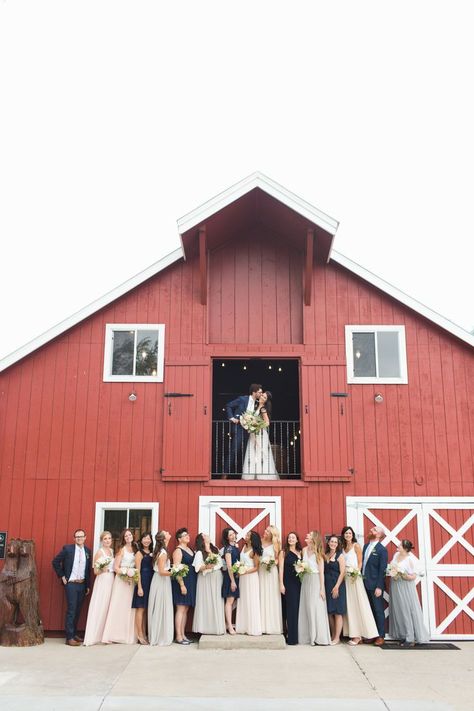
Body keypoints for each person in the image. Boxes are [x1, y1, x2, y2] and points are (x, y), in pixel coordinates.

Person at [52, 528, 91, 646]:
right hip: (71, 584)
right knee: (72, 610)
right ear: (74, 539)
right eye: (77, 537)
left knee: (78, 610)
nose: (79, 538)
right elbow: (55, 562)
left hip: (82, 584)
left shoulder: (87, 551)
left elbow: (88, 570)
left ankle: (74, 634)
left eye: (81, 536)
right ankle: (69, 638)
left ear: (85, 537)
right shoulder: (68, 549)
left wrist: (87, 585)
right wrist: (62, 576)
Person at [341, 526, 378, 645]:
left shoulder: (356, 546)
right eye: (346, 533)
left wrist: (356, 572)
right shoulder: (342, 547)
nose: (348, 535)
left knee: (357, 604)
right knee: (349, 605)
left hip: (354, 577)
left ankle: (359, 635)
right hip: (345, 578)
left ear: (353, 535)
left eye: (350, 533)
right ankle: (352, 633)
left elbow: (360, 561)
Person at [388, 540, 429, 647]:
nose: (398, 546)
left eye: (400, 545)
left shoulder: (410, 559)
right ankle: (403, 635)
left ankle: (411, 638)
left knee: (407, 610)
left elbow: (413, 576)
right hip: (395, 585)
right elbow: (392, 567)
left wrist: (404, 575)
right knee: (398, 610)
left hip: (405, 586)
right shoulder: (396, 555)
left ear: (405, 548)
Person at [102, 528, 138, 644]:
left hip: (131, 581)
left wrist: (131, 574)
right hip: (121, 581)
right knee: (119, 606)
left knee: (129, 608)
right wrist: (125, 574)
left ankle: (128, 635)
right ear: (123, 538)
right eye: (126, 536)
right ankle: (115, 634)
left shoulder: (135, 548)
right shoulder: (121, 550)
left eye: (130, 535)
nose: (128, 537)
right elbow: (116, 568)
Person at [298, 531, 331, 646]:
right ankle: (307, 636)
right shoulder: (304, 550)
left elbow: (321, 573)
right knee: (306, 606)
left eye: (309, 534)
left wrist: (322, 589)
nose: (307, 535)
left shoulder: (319, 554)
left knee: (314, 607)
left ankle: (318, 637)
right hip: (306, 580)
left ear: (314, 538)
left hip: (316, 580)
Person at [83, 530, 115, 646]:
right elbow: (96, 571)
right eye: (105, 539)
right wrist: (104, 570)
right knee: (100, 605)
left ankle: (105, 635)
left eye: (109, 538)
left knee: (108, 606)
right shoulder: (99, 552)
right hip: (103, 580)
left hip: (111, 579)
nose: (107, 541)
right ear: (102, 540)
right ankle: (94, 635)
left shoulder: (111, 551)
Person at [225, 383, 262, 475]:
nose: (261, 394)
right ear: (254, 392)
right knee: (234, 450)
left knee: (247, 452)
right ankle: (224, 474)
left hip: (249, 431)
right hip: (239, 428)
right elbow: (229, 405)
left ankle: (245, 474)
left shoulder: (257, 404)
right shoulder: (242, 399)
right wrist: (232, 418)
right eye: (260, 392)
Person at [192, 533, 225, 635]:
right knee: (206, 601)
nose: (208, 535)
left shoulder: (215, 549)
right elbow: (197, 568)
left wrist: (214, 566)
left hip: (217, 577)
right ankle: (206, 628)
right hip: (205, 579)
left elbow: (220, 563)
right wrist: (207, 566)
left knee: (216, 600)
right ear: (202, 539)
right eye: (205, 535)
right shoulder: (199, 553)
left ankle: (216, 627)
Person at [242, 391, 279, 481]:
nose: (262, 397)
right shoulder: (255, 406)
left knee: (262, 454)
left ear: (266, 401)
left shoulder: (263, 409)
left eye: (264, 397)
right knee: (253, 453)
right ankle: (252, 475)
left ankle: (264, 475)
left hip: (260, 433)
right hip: (253, 433)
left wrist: (257, 426)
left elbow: (267, 423)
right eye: (262, 395)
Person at [362, 525, 388, 645]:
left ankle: (381, 636)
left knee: (378, 610)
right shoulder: (366, 546)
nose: (371, 530)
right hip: (363, 583)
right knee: (369, 610)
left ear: (378, 534)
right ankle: (372, 634)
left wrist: (379, 587)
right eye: (371, 528)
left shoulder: (382, 550)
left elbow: (382, 570)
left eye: (374, 530)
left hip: (374, 585)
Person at [148, 531, 174, 646]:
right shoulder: (163, 553)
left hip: (162, 580)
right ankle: (159, 636)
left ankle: (162, 633)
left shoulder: (164, 550)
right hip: (161, 580)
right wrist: (175, 572)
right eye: (166, 533)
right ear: (164, 539)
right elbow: (162, 571)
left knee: (163, 605)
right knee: (160, 605)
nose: (169, 533)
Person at [172, 527, 197, 645]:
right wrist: (182, 585)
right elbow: (176, 569)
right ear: (179, 539)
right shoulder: (178, 551)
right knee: (180, 609)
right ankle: (178, 636)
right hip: (182, 582)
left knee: (186, 609)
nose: (188, 536)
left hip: (191, 581)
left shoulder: (189, 549)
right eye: (185, 535)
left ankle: (183, 634)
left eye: (188, 534)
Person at [235, 530, 263, 635]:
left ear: (252, 539)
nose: (245, 536)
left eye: (248, 535)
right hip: (243, 578)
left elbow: (256, 568)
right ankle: (243, 627)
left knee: (251, 600)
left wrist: (245, 571)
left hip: (251, 577)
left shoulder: (254, 551)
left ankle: (253, 627)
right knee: (243, 600)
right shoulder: (244, 547)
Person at [279, 531, 302, 645]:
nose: (291, 539)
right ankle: (291, 637)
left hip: (300, 583)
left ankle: (299, 634)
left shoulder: (300, 552)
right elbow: (281, 569)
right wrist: (281, 584)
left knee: (298, 609)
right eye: (289, 538)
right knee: (291, 610)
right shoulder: (283, 552)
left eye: (293, 537)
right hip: (288, 583)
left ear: (297, 540)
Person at [259, 525, 283, 633]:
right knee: (261, 596)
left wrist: (271, 562)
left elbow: (278, 559)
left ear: (272, 534)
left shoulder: (276, 544)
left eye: (268, 531)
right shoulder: (259, 542)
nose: (265, 532)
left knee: (271, 596)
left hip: (271, 572)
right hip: (261, 571)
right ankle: (261, 625)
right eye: (265, 530)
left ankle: (271, 626)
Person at [324, 534, 347, 645]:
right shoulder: (326, 554)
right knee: (329, 612)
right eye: (331, 541)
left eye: (335, 542)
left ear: (338, 544)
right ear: (328, 543)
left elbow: (343, 572)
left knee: (338, 612)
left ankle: (337, 637)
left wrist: (337, 586)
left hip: (337, 586)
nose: (333, 543)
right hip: (327, 585)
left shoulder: (340, 556)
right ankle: (333, 635)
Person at [132, 531, 153, 644]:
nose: (146, 540)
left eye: (148, 538)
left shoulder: (152, 552)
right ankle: (139, 635)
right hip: (142, 581)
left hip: (151, 581)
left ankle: (144, 633)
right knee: (140, 609)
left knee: (145, 609)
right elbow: (137, 571)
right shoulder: (139, 553)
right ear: (141, 540)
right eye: (144, 538)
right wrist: (139, 587)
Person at [221, 527, 240, 634]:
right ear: (227, 538)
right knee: (229, 601)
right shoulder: (228, 549)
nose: (233, 536)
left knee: (235, 601)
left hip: (236, 577)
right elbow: (229, 566)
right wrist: (232, 581)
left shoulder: (236, 547)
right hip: (230, 577)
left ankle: (226, 623)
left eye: (233, 533)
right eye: (230, 535)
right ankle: (229, 626)